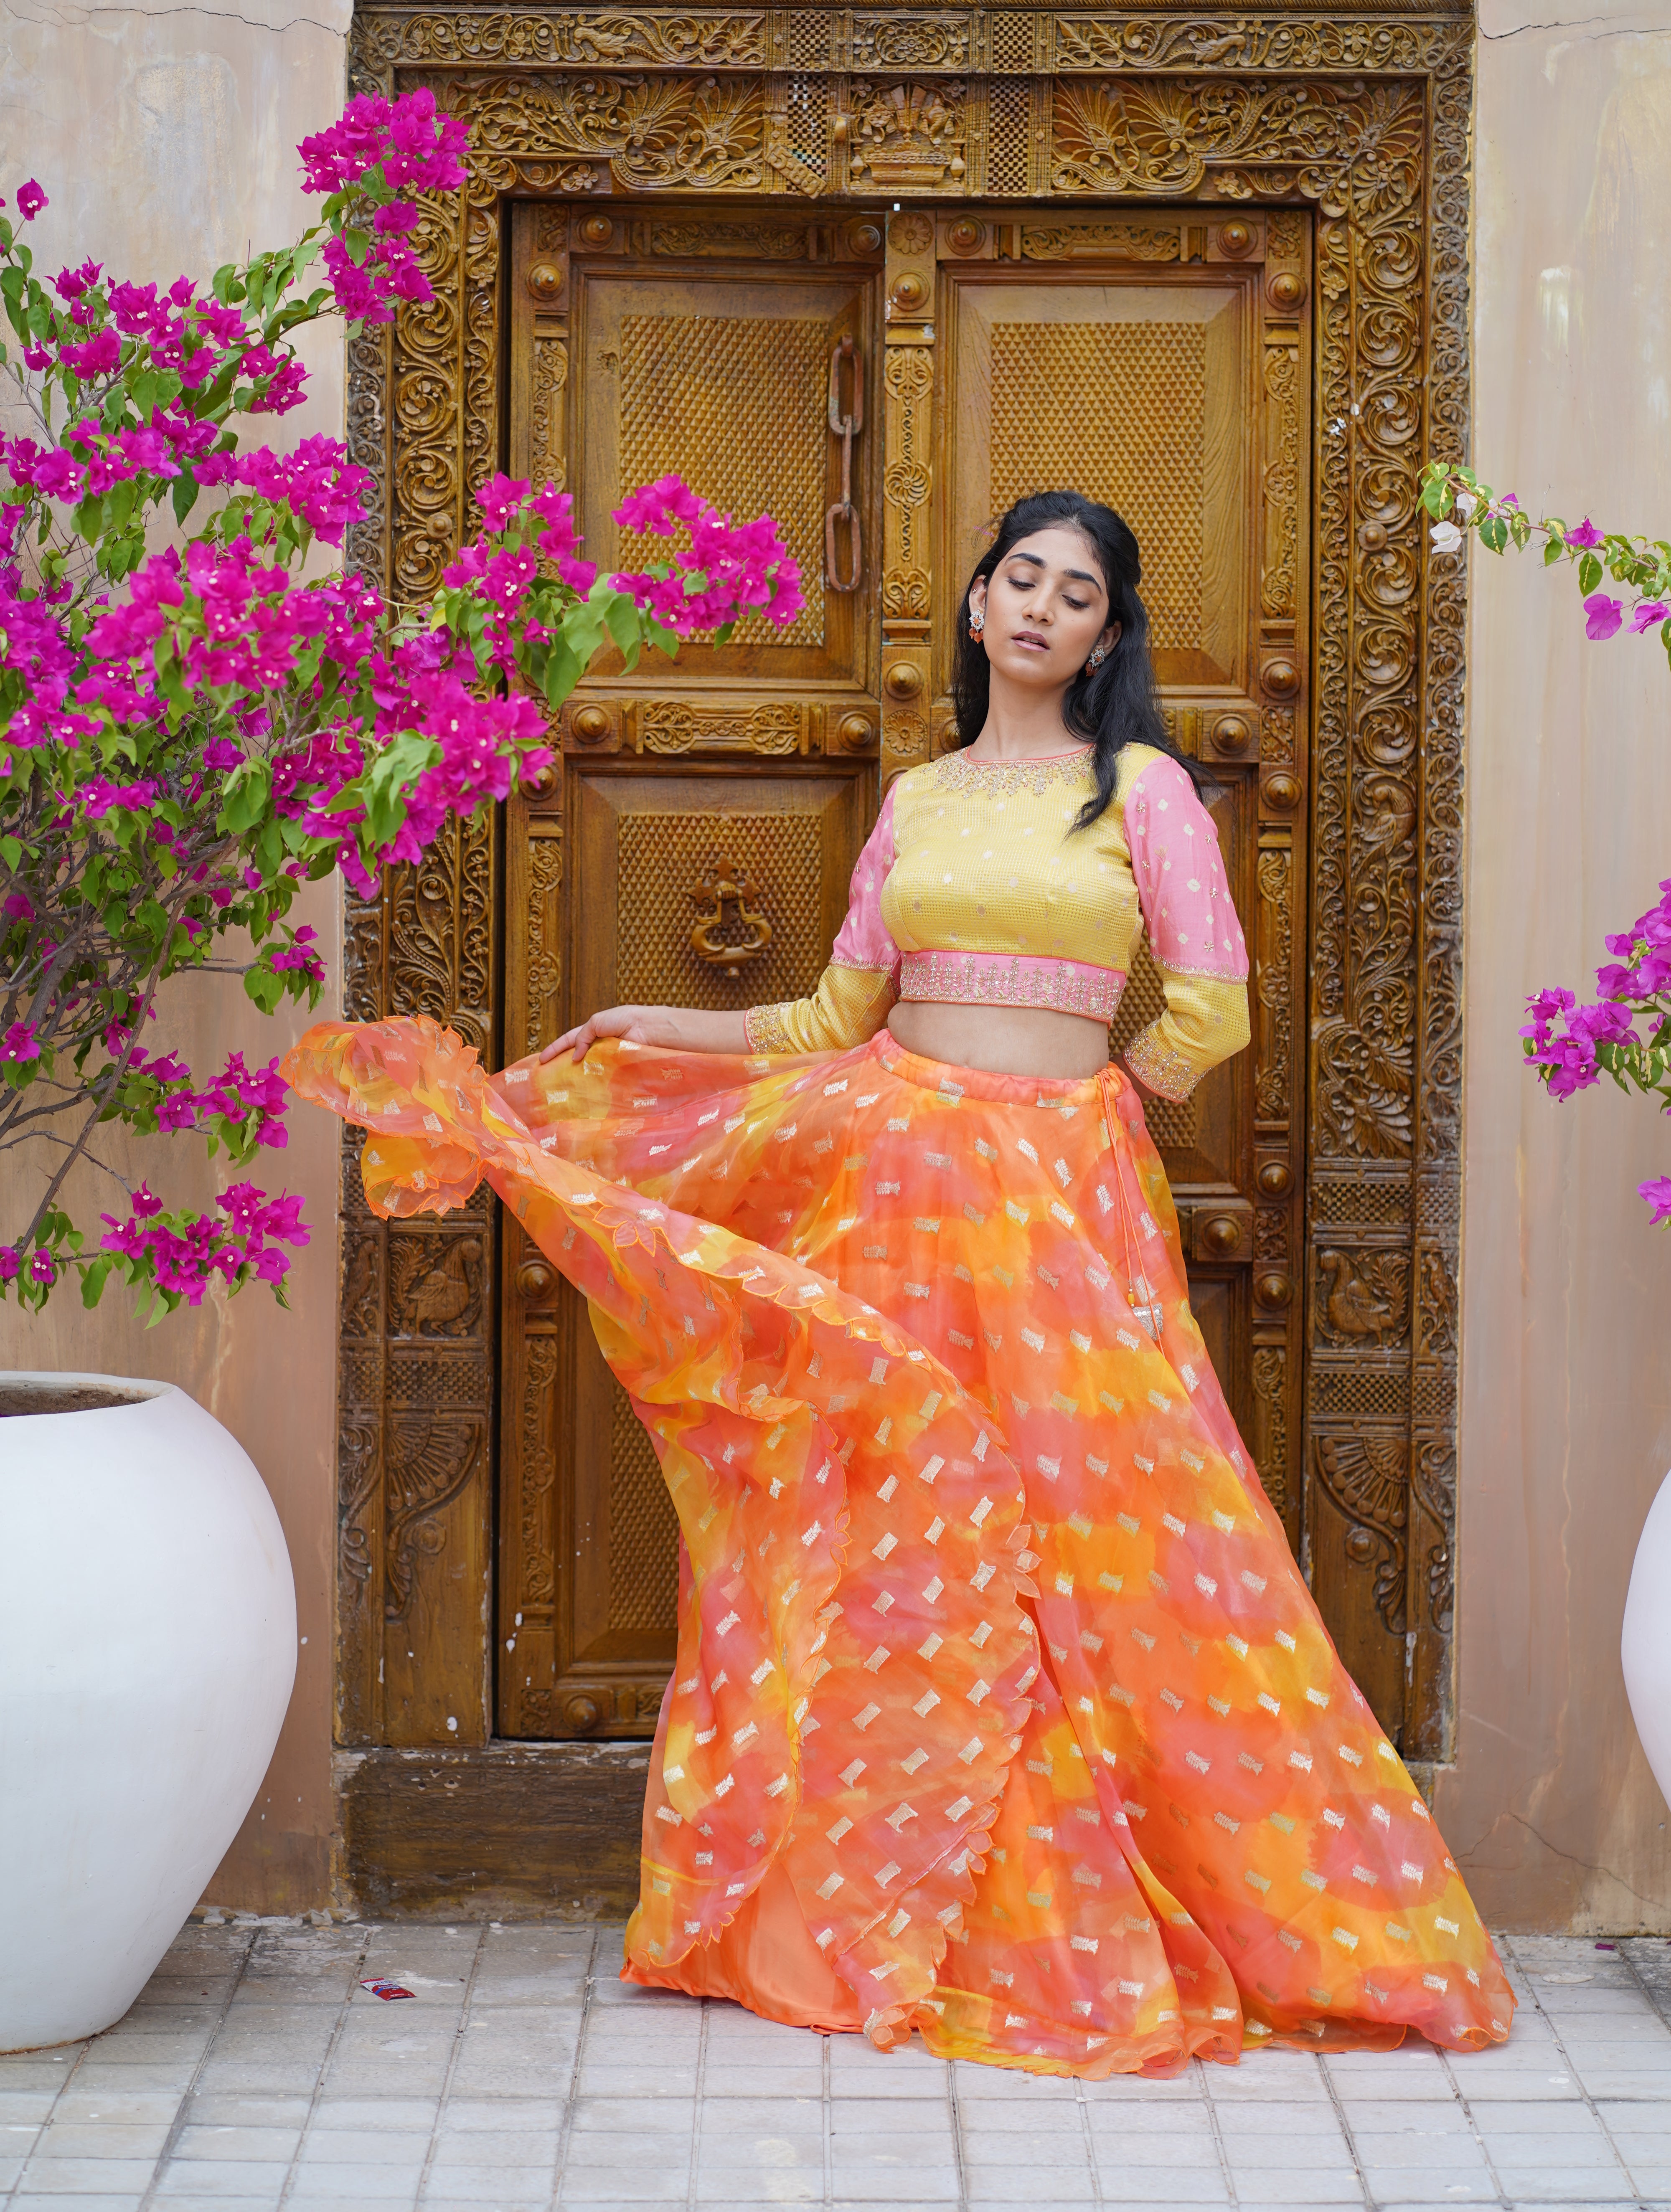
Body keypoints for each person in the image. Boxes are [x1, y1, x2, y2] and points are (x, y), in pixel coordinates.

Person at [284, 490, 1512, 2076]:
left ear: (1107, 633)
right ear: (979, 604)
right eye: (1021, 580)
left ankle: (1190, 1907)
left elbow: (1213, 1006)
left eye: (1077, 595)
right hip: (899, 1187)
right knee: (894, 1533)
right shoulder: (922, 800)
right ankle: (874, 1909)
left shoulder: (1135, 790)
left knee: (1105, 1527)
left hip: (1058, 1204)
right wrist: (656, 1029)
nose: (1042, 611)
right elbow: (830, 1016)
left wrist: (1097, 1111)